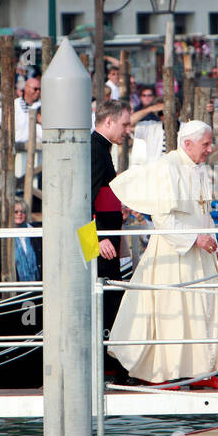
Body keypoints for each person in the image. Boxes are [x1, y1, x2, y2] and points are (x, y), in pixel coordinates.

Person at [107, 120, 218, 388]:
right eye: (206, 144)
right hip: (173, 252)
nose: (210, 149)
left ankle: (205, 371)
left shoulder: (196, 168)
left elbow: (202, 211)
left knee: (205, 309)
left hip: (200, 251)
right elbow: (163, 219)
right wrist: (195, 239)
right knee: (174, 312)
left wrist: (214, 246)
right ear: (187, 144)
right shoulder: (168, 168)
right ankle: (168, 372)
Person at [91, 100, 131, 342]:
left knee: (109, 296)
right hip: (101, 243)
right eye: (124, 124)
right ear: (109, 121)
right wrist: (98, 237)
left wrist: (118, 209)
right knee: (106, 297)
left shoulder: (99, 148)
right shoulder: (96, 150)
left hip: (105, 238)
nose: (127, 130)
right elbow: (85, 198)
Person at [0, 198, 42, 282]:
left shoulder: (36, 233)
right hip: (13, 289)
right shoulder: (2, 236)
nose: (19, 214)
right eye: (15, 212)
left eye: (22, 211)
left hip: (38, 288)